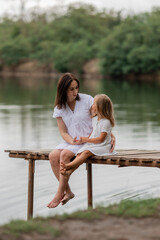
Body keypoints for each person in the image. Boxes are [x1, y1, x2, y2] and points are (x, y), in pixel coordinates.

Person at [47, 73, 115, 208]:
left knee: (64, 155)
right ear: (63, 90)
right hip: (71, 141)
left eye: (76, 88)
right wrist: (71, 141)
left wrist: (110, 134)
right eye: (71, 89)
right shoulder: (59, 108)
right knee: (53, 156)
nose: (75, 92)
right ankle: (68, 192)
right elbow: (63, 132)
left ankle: (59, 193)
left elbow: (101, 117)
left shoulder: (87, 100)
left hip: (89, 140)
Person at [60, 94, 116, 176]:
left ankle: (69, 165)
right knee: (80, 153)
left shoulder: (106, 122)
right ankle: (69, 171)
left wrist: (86, 140)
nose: (92, 105)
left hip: (103, 146)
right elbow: (93, 133)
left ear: (99, 107)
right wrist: (84, 140)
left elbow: (100, 139)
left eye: (94, 103)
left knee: (86, 152)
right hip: (94, 144)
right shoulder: (95, 119)